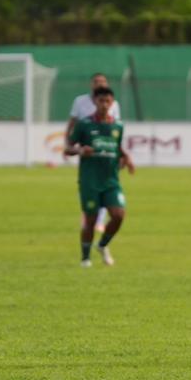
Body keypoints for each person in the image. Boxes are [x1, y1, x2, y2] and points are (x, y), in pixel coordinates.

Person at [64, 86, 134, 267]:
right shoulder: (84, 124)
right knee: (91, 220)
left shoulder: (118, 126)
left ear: (112, 103)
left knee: (118, 215)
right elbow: (68, 148)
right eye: (101, 101)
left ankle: (102, 245)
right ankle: (85, 258)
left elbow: (117, 146)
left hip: (111, 181)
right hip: (90, 181)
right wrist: (80, 150)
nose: (104, 105)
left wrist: (126, 157)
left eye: (107, 101)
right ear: (95, 102)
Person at [67, 73, 123, 233]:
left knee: (108, 183)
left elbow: (116, 129)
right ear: (91, 84)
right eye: (96, 81)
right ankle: (88, 213)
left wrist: (121, 154)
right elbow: (72, 122)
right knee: (89, 182)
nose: (99, 83)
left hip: (107, 149)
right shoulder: (80, 101)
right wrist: (70, 143)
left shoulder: (114, 103)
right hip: (88, 148)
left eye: (102, 81)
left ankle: (99, 220)